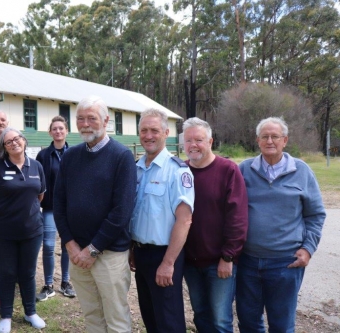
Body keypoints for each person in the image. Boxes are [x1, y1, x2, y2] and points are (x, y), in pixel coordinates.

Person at [53, 95, 136, 333]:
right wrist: (70, 244)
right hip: (77, 253)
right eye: (80, 118)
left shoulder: (121, 157)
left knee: (116, 319)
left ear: (106, 121)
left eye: (92, 118)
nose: (85, 124)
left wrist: (93, 249)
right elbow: (59, 203)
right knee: (91, 316)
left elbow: (122, 211)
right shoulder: (70, 156)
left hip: (108, 254)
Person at [236, 117, 326, 332]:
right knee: (248, 323)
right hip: (247, 262)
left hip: (285, 263)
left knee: (282, 325)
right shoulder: (244, 170)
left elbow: (315, 215)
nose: (270, 141)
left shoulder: (302, 171)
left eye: (275, 136)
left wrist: (308, 248)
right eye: (264, 136)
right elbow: (231, 212)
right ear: (257, 140)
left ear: (284, 140)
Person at [129, 108, 194, 332]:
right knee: (150, 317)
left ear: (166, 132)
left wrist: (168, 264)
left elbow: (184, 221)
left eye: (154, 130)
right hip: (141, 253)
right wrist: (132, 250)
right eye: (144, 130)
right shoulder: (136, 169)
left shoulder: (177, 171)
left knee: (169, 321)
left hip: (165, 255)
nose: (148, 135)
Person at [183, 117, 248, 332]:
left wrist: (228, 256)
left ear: (210, 141)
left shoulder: (228, 170)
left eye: (199, 140)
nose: (193, 145)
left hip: (219, 261)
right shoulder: (181, 172)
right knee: (200, 315)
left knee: (221, 320)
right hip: (190, 262)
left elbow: (237, 218)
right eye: (189, 140)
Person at [0, 127, 47, 333]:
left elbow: (40, 196)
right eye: (8, 142)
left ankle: (30, 312)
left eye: (16, 138)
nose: (13, 143)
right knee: (7, 273)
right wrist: (2, 215)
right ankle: (6, 316)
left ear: (24, 140)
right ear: (3, 148)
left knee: (27, 273)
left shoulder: (36, 166)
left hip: (32, 231)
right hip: (3, 233)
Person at [35, 116, 75, 301]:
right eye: (55, 129)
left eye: (61, 128)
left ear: (67, 131)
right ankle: (48, 284)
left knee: (68, 245)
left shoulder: (75, 153)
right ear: (50, 132)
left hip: (70, 208)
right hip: (50, 208)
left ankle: (66, 282)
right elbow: (38, 182)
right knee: (49, 246)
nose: (58, 131)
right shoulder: (43, 156)